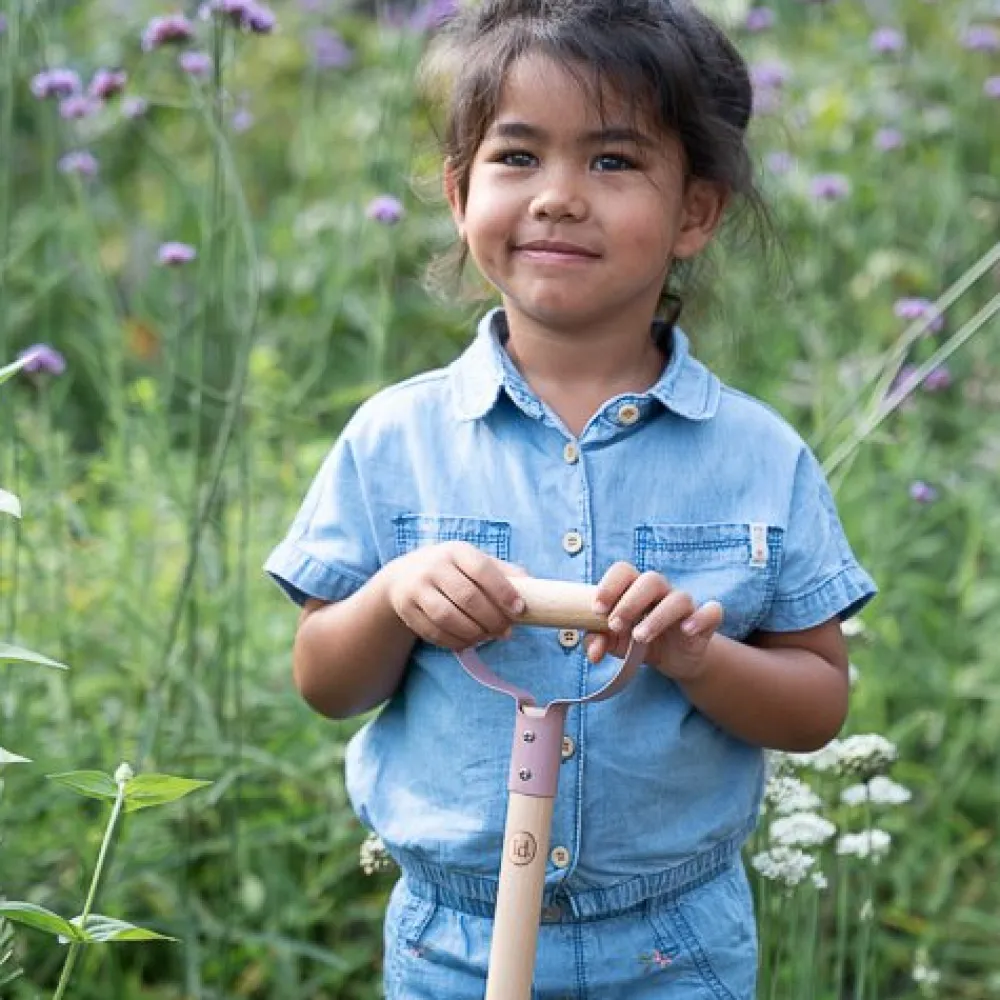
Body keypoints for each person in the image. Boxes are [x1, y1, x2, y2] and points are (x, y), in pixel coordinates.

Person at [264, 0, 877, 996]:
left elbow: (816, 703)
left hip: (674, 944)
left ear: (695, 213)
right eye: (517, 157)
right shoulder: (395, 438)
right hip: (451, 944)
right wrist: (394, 596)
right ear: (459, 194)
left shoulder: (760, 456)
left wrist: (696, 656)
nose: (557, 197)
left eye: (612, 160)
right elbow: (326, 682)